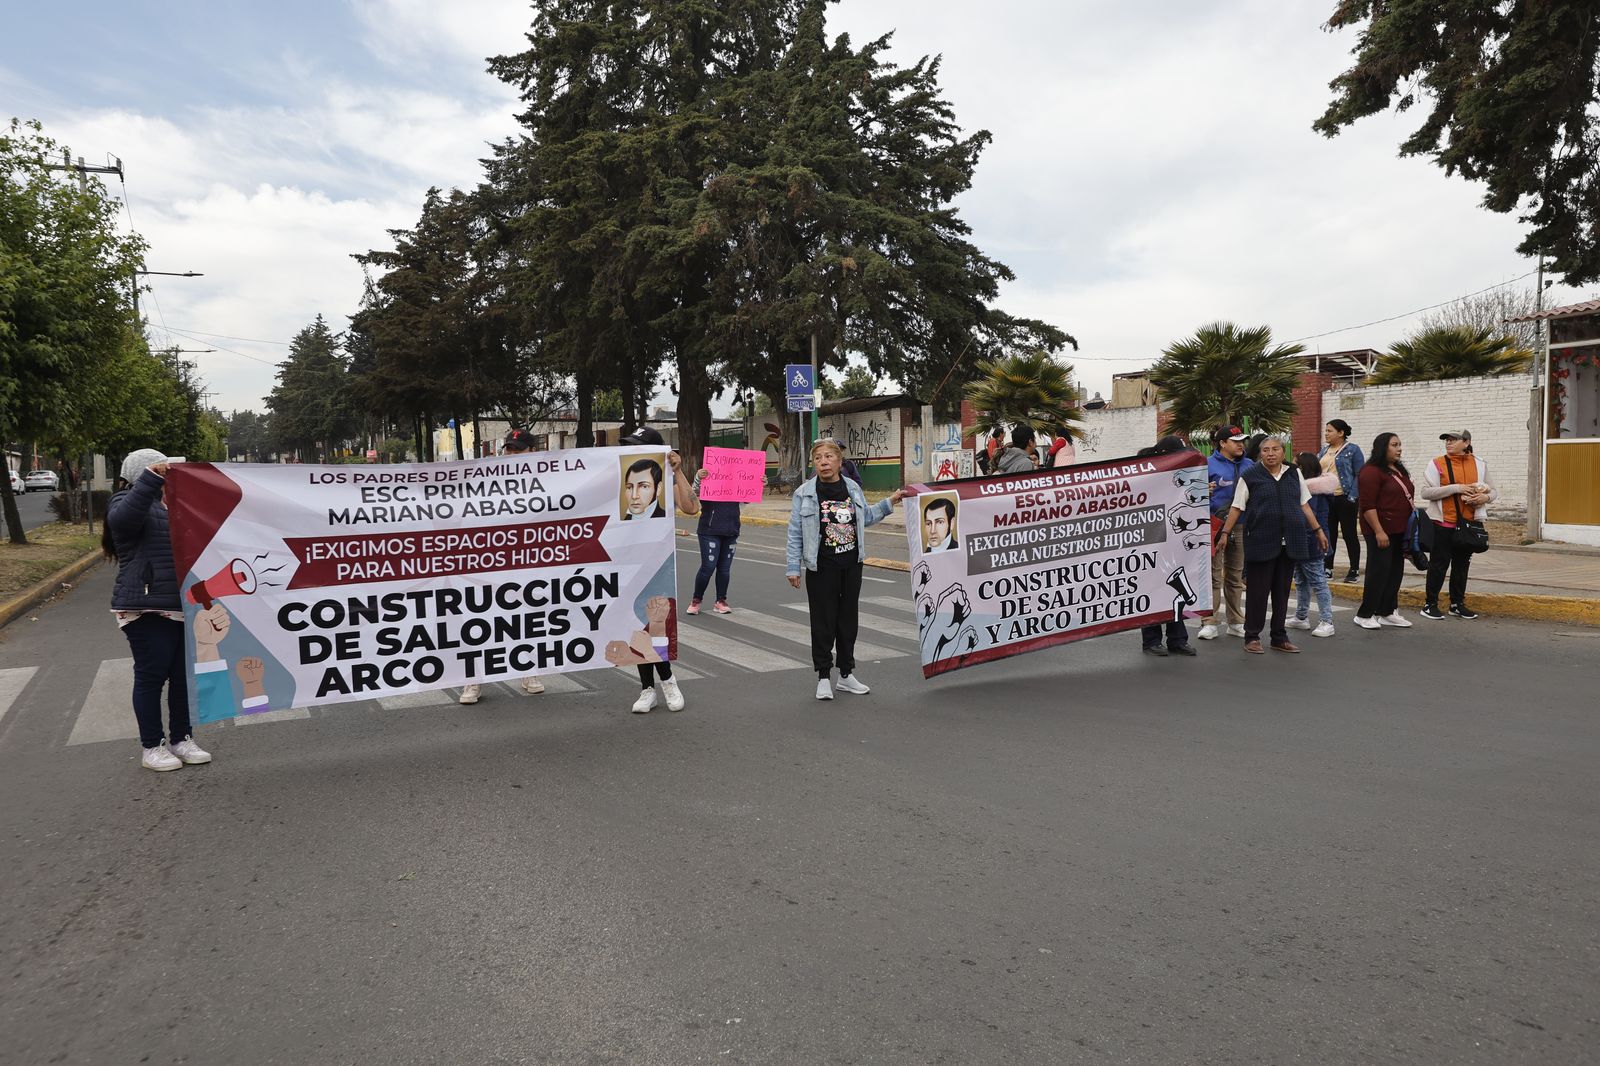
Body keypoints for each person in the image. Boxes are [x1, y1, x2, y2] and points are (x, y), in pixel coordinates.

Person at [104, 449, 213, 772]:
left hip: (181, 606)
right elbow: (123, 521)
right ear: (144, 474)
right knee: (152, 677)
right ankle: (152, 747)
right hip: (147, 606)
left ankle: (182, 738)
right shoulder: (123, 502)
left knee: (181, 678)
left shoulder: (173, 506)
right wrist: (152, 477)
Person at [785, 438, 909, 700]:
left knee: (847, 621)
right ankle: (822, 677)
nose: (824, 461)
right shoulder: (804, 493)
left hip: (851, 565)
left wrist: (892, 500)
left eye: (830, 457)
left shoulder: (851, 488)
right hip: (821, 567)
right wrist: (792, 567)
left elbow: (866, 517)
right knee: (823, 622)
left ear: (840, 462)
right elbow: (795, 532)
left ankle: (845, 675)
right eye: (818, 458)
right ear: (814, 464)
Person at [1216, 436, 1329, 654]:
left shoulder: (1293, 473)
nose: (1270, 453)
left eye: (1275, 449)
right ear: (1260, 454)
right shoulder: (1250, 476)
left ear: (1283, 451)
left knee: (1282, 591)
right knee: (1258, 592)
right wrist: (1225, 533)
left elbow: (1304, 504)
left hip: (1290, 542)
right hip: (1261, 540)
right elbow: (1237, 507)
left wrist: (1318, 530)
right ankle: (1252, 636)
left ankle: (1279, 636)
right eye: (1265, 450)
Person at [461, 428, 547, 705]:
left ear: (532, 452)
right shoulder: (485, 479)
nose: (511, 454)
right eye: (508, 448)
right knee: (481, 620)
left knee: (527, 618)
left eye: (517, 449)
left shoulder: (551, 480)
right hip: (489, 561)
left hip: (528, 562)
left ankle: (529, 671)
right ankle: (473, 681)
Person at [613, 426, 695, 712]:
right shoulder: (620, 478)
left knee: (655, 624)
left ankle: (668, 682)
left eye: (639, 446)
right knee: (634, 625)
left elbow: (691, 507)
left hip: (657, 564)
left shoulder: (665, 479)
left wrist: (678, 471)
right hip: (626, 564)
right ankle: (648, 688)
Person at [1417, 429, 1496, 620]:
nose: (1449, 443)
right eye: (1447, 440)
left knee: (1461, 566)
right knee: (1438, 565)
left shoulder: (1479, 463)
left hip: (1469, 524)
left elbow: (1493, 491)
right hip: (1443, 523)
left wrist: (1484, 497)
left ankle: (1457, 604)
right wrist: (1456, 488)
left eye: (1454, 439)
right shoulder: (1437, 463)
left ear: (1466, 442)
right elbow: (1425, 493)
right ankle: (1430, 604)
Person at [1139, 436, 1198, 657]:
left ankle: (1177, 639)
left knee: (1178, 589)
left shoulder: (1182, 474)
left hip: (1175, 539)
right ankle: (1152, 640)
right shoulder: (1146, 474)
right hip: (1151, 539)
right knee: (1153, 589)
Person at [1353, 432, 1416, 630]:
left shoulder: (1398, 470)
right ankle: (1364, 614)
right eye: (1394, 445)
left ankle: (1387, 611)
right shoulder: (1371, 471)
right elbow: (1367, 505)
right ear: (1383, 447)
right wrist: (1379, 531)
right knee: (1378, 571)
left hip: (1400, 530)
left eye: (1400, 444)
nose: (1399, 448)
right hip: (1380, 530)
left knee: (1395, 571)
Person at [681, 457, 760, 616]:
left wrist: (758, 482)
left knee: (724, 569)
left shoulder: (737, 483)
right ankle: (696, 600)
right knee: (708, 567)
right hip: (709, 531)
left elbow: (747, 497)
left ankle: (720, 601)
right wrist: (698, 478)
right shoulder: (707, 481)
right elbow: (692, 496)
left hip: (731, 531)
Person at [1198, 425, 1252, 640]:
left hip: (1241, 525)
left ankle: (1236, 621)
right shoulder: (1206, 465)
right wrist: (1204, 490)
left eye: (1242, 441)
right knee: (1212, 576)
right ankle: (1209, 621)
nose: (1241, 445)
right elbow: (1189, 494)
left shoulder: (1250, 465)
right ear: (1222, 443)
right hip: (1212, 524)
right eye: (1235, 441)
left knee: (1235, 575)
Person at [1289, 452, 1338, 637]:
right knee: (1301, 580)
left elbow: (1310, 520)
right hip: (1304, 541)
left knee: (1318, 581)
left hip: (1312, 541)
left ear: (1302, 469)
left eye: (1295, 466)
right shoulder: (1313, 489)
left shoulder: (1312, 492)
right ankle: (1301, 616)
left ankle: (1327, 621)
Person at [1318, 419, 1365, 581]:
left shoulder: (1352, 450)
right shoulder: (1323, 451)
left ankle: (1354, 570)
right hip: (1327, 498)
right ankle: (1328, 567)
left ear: (1341, 433)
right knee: (1328, 533)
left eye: (1329, 431)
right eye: (1326, 431)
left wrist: (1352, 496)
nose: (1326, 433)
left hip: (1345, 498)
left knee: (1349, 533)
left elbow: (1360, 475)